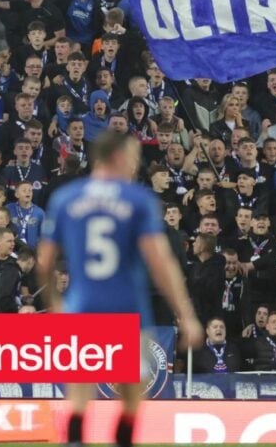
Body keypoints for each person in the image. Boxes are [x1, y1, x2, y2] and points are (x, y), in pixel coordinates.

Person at [37, 130, 202, 447]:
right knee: (131, 383)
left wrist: (55, 303)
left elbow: (44, 262)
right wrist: (186, 314)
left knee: (81, 379)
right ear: (116, 157)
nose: (135, 165)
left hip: (82, 304)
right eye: (133, 157)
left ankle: (74, 436)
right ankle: (124, 436)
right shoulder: (137, 199)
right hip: (127, 305)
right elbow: (160, 262)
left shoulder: (65, 198)